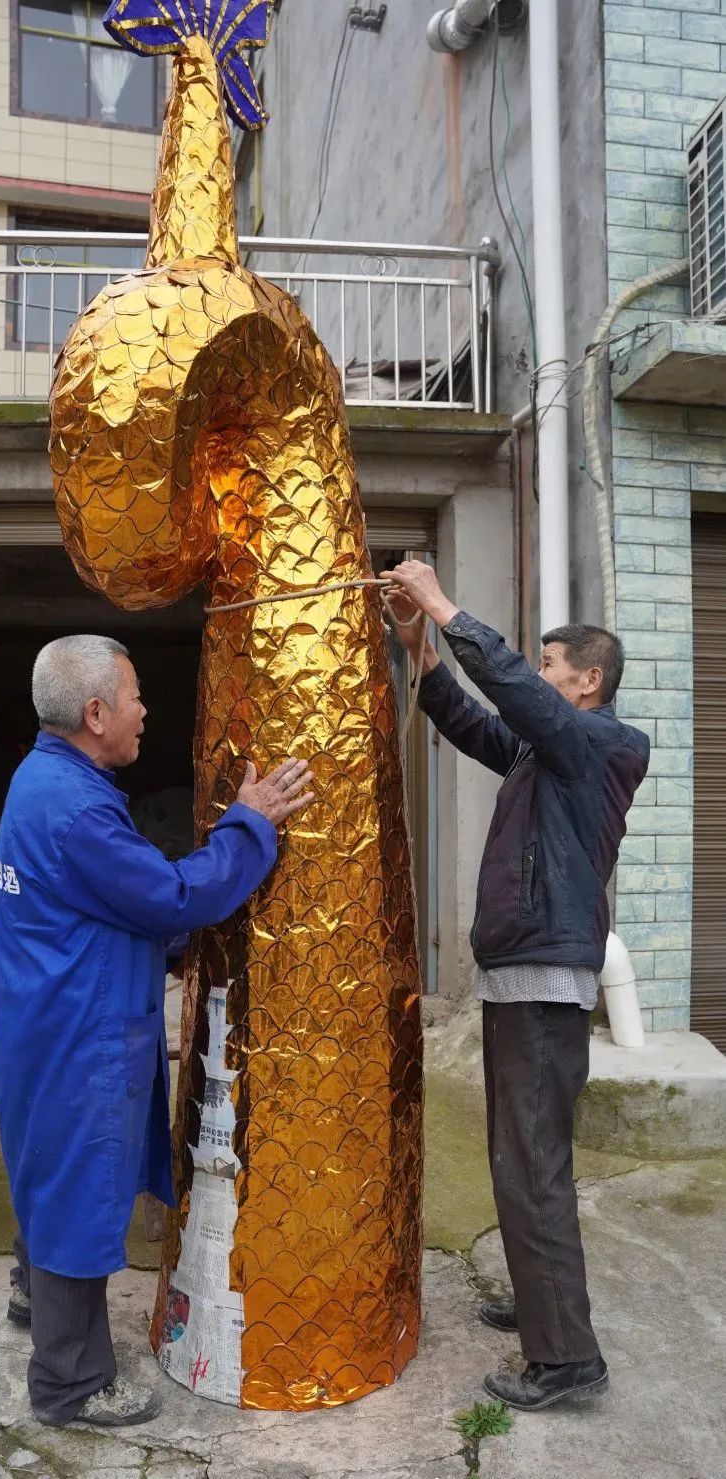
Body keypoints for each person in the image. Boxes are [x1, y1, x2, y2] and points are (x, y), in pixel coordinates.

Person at [0, 635, 312, 1430]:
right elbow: (171, 897)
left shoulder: (45, 777)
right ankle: (69, 1383)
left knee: (50, 1168)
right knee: (77, 1189)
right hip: (77, 1032)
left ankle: (36, 1297)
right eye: (134, 695)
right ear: (96, 713)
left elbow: (108, 901)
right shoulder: (75, 808)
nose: (145, 709)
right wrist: (249, 825)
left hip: (46, 1015)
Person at [383, 562, 649, 1413]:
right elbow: (473, 721)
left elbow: (513, 693)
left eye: (550, 664)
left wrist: (441, 604)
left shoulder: (599, 744)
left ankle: (566, 1358)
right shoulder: (548, 752)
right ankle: (544, 1306)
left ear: (588, 680)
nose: (538, 673)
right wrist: (422, 650)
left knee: (533, 1167)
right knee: (520, 1160)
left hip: (542, 982)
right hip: (519, 978)